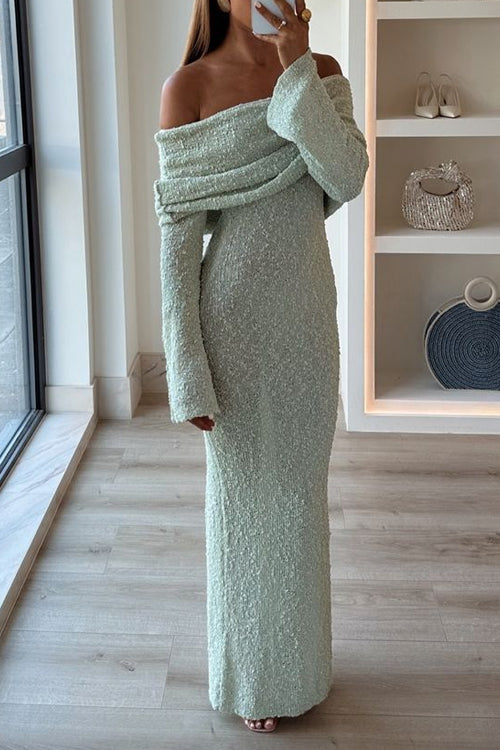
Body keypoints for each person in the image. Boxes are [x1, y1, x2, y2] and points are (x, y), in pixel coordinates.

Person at [153, 0, 369, 734]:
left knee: (300, 502)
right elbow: (177, 243)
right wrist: (187, 366)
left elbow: (345, 177)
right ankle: (254, 679)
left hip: (306, 323)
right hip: (232, 327)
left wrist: (296, 68)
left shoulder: (320, 73)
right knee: (243, 505)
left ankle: (298, 668)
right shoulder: (187, 89)